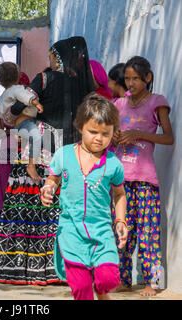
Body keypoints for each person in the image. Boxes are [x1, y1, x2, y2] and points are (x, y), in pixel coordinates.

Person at [0, 36, 95, 285]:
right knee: (57, 207)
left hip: (39, 145)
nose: (50, 60)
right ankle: (59, 268)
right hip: (69, 150)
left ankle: (20, 266)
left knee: (27, 203)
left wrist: (12, 116)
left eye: (52, 56)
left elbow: (23, 102)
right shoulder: (83, 86)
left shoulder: (45, 78)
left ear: (58, 58)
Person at [40, 94, 127, 300]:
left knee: (107, 280)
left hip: (101, 232)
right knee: (81, 287)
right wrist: (48, 188)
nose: (99, 138)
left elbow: (120, 194)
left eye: (106, 133)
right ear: (80, 127)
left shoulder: (114, 163)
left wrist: (120, 220)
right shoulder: (64, 154)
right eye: (93, 131)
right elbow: (53, 179)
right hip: (71, 232)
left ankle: (102, 291)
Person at [112, 56, 174, 296]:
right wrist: (115, 137)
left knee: (148, 232)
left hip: (146, 179)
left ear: (147, 78)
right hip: (120, 180)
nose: (130, 83)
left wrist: (139, 134)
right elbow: (111, 134)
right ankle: (123, 280)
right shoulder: (118, 104)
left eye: (135, 78)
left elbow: (168, 138)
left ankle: (153, 282)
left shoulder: (157, 102)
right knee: (121, 230)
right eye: (127, 78)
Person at [0, 62, 44, 182]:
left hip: (11, 137)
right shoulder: (18, 90)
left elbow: (1, 118)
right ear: (18, 76)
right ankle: (31, 166)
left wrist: (9, 120)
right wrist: (36, 102)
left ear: (0, 81)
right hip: (23, 127)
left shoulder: (2, 97)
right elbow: (25, 96)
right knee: (37, 137)